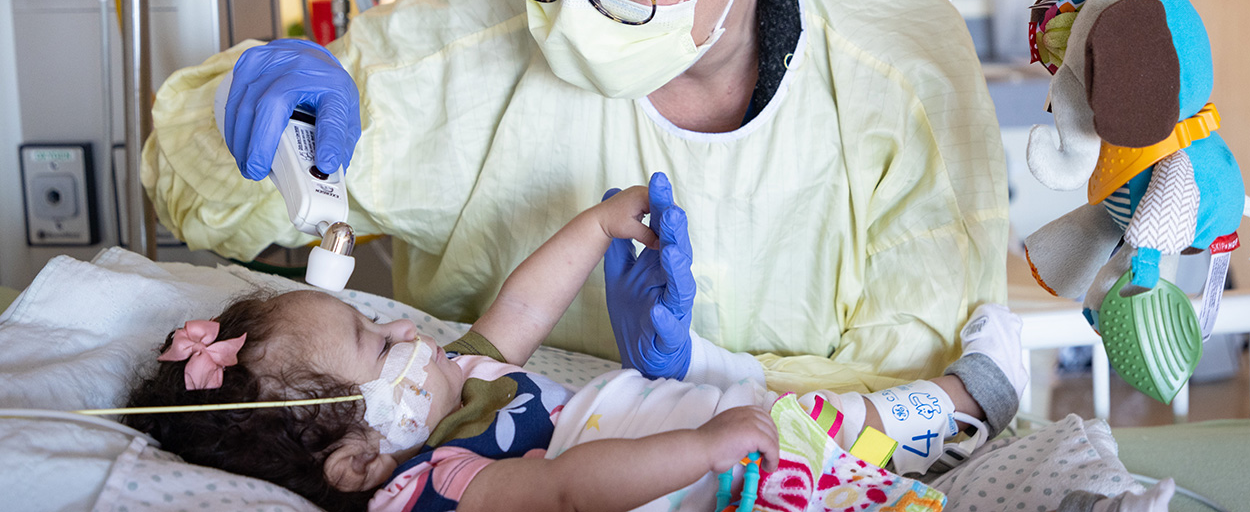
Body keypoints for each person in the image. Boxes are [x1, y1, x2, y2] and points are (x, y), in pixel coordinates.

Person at [143, 0, 1009, 397]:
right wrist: (241, 107)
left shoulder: (896, 66)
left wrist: (702, 374)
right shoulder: (465, 29)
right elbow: (202, 199)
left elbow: (925, 395)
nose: (562, 11)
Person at [125, 175, 1171, 512]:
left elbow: (518, 314)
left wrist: (590, 228)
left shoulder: (452, 384)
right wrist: (704, 447)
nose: (402, 326)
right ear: (361, 458)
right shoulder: (446, 478)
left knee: (835, 438)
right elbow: (574, 486)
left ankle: (954, 410)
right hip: (693, 481)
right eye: (369, 337)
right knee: (823, 449)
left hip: (704, 436)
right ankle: (959, 414)